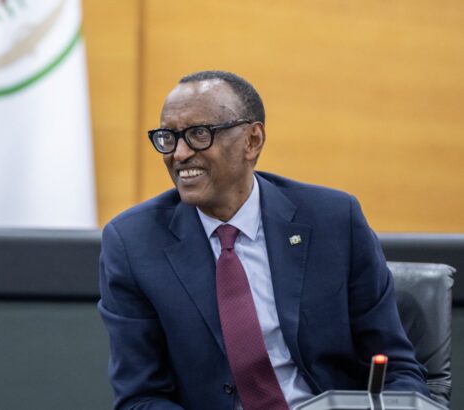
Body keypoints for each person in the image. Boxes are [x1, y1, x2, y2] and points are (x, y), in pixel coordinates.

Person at [98, 70, 428, 410]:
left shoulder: (334, 221)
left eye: (198, 134)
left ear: (252, 140)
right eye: (168, 136)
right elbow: (140, 398)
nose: (179, 154)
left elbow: (398, 370)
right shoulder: (134, 244)